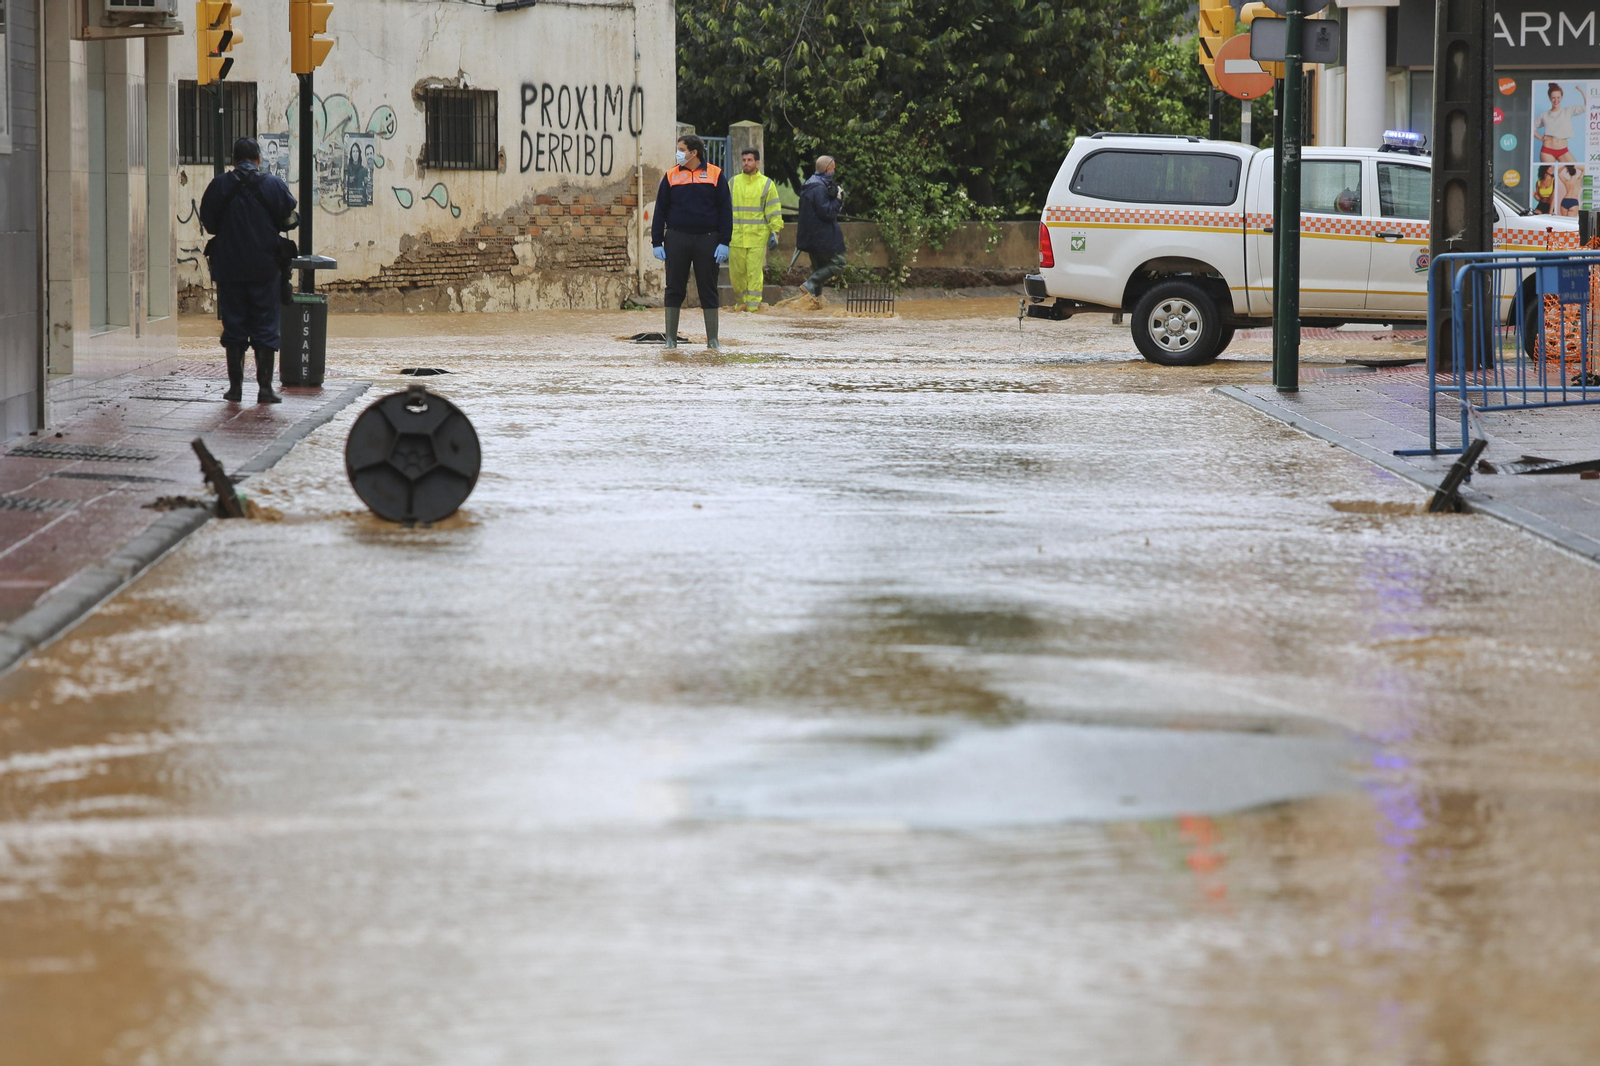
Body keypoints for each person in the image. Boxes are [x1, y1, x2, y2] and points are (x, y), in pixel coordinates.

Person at [199, 137, 299, 404]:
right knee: (265, 327)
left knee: (234, 325)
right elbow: (289, 219)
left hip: (229, 269)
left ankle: (235, 389)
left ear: (234, 160)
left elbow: (208, 223)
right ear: (259, 159)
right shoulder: (272, 184)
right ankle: (265, 389)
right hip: (265, 269)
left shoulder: (219, 185)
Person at [650, 134, 733, 349]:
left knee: (708, 288)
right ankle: (670, 340)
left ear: (693, 153)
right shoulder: (671, 176)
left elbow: (725, 210)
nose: (678, 153)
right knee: (674, 288)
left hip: (708, 239)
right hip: (677, 237)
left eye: (681, 149)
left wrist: (725, 241)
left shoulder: (715, 174)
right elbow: (660, 210)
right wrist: (657, 241)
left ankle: (712, 340)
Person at [728, 148, 784, 312]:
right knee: (736, 275)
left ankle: (752, 310)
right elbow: (723, 209)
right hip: (736, 237)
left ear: (757, 162)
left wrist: (775, 232)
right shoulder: (733, 182)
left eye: (749, 160)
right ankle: (740, 305)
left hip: (757, 238)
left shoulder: (766, 184)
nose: (746, 163)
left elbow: (773, 210)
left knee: (754, 275)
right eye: (744, 160)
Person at [796, 155, 846, 298]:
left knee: (819, 267)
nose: (834, 171)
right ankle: (810, 283)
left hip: (810, 237)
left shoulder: (809, 184)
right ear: (828, 169)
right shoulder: (818, 188)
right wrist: (838, 200)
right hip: (822, 237)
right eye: (833, 169)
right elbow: (828, 213)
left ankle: (816, 302)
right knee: (839, 263)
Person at [1535, 83, 1586, 163]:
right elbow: (1531, 127)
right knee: (1549, 174)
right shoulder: (1544, 115)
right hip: (1547, 151)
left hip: (1563, 150)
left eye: (1558, 97)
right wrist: (1540, 138)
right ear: (1550, 98)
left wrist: (1581, 90)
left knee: (1576, 171)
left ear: (1561, 97)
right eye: (1553, 98)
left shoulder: (1567, 111)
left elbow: (1586, 107)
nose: (1556, 100)